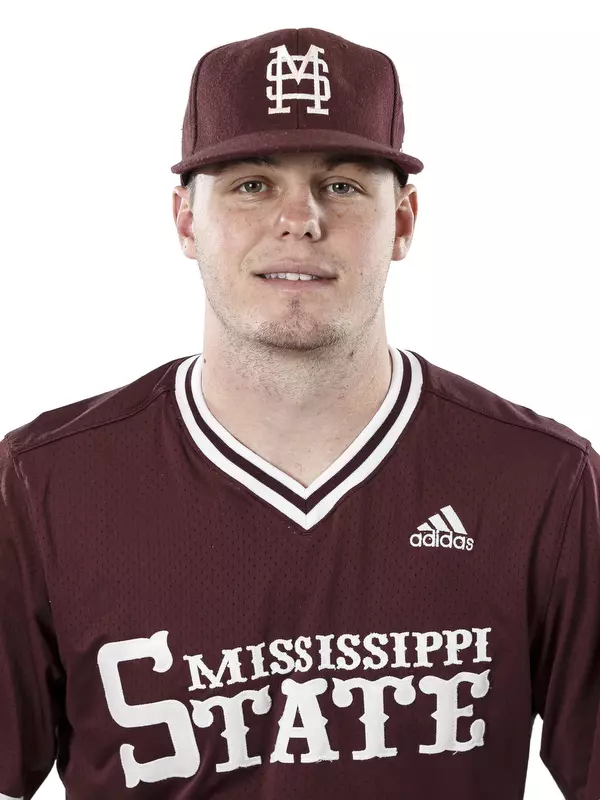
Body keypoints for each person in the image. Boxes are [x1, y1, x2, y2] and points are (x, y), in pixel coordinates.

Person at [1, 26, 599, 800]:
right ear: (185, 220)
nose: (300, 219)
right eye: (252, 184)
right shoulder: (44, 486)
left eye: (341, 185)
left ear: (404, 221)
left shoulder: (544, 484)